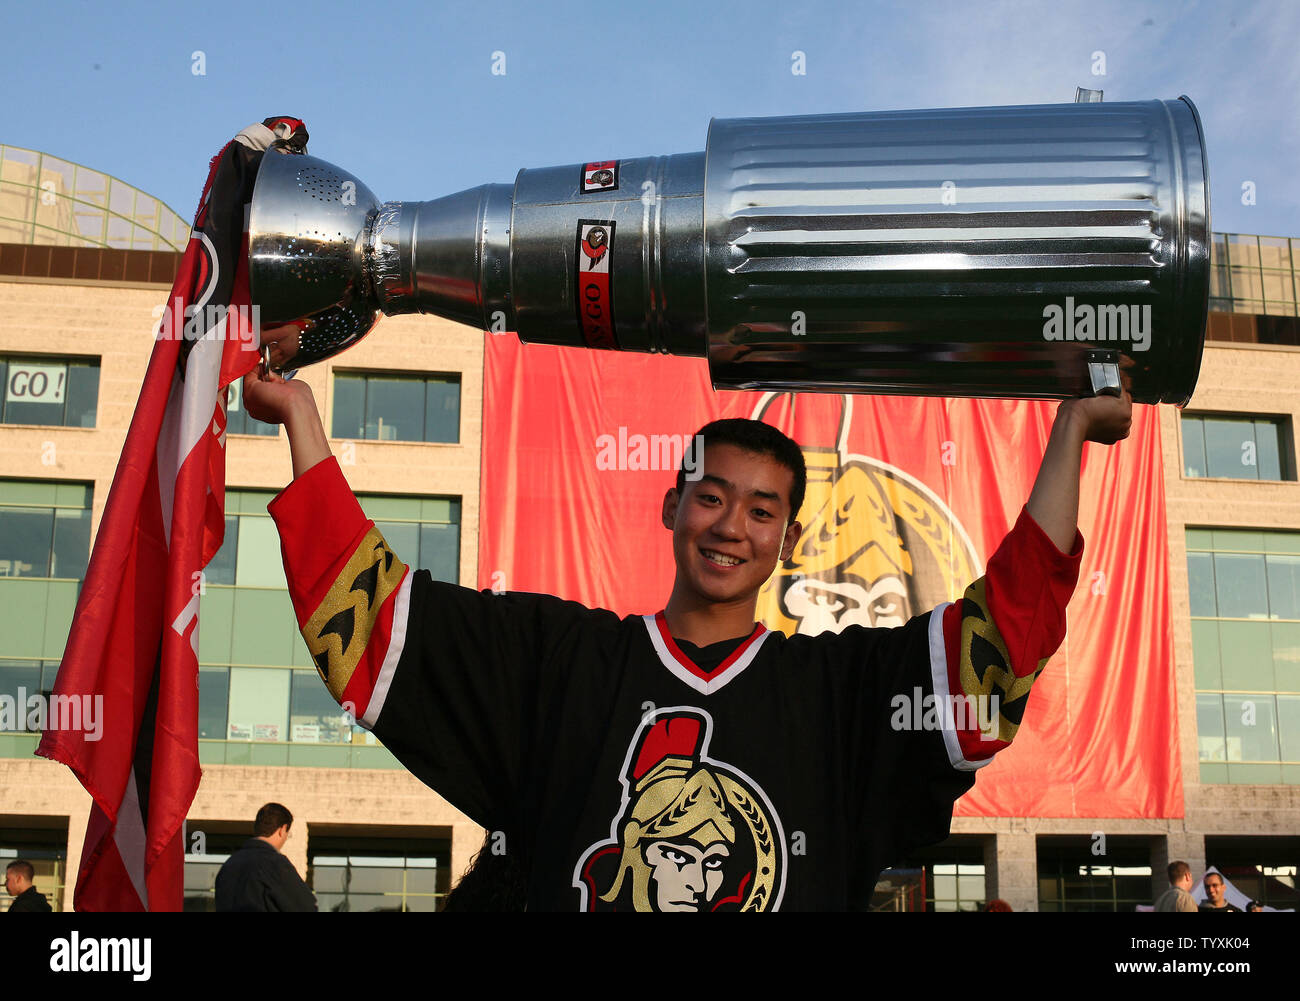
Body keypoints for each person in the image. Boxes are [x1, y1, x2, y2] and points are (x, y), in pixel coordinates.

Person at [244, 368, 1131, 911]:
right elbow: (374, 627)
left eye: (761, 509)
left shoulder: (839, 694)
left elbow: (1003, 637)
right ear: (672, 507)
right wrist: (302, 421)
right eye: (711, 496)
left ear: (786, 540)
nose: (730, 525)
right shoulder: (562, 662)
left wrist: (1071, 433)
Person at [214, 803, 317, 912]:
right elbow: (306, 906)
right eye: (288, 834)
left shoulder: (229, 865)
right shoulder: (274, 863)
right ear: (282, 829)